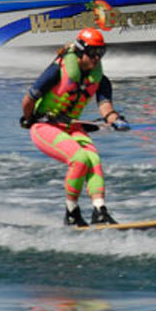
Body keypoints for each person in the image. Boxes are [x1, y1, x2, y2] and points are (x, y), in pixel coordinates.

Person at [20, 27, 131, 227]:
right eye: (93, 54)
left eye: (101, 53)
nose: (97, 58)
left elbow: (106, 106)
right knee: (79, 159)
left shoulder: (99, 79)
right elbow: (28, 99)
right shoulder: (57, 71)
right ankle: (71, 213)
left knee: (93, 159)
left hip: (71, 127)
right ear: (80, 52)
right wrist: (28, 119)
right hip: (44, 127)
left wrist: (115, 119)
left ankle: (99, 211)